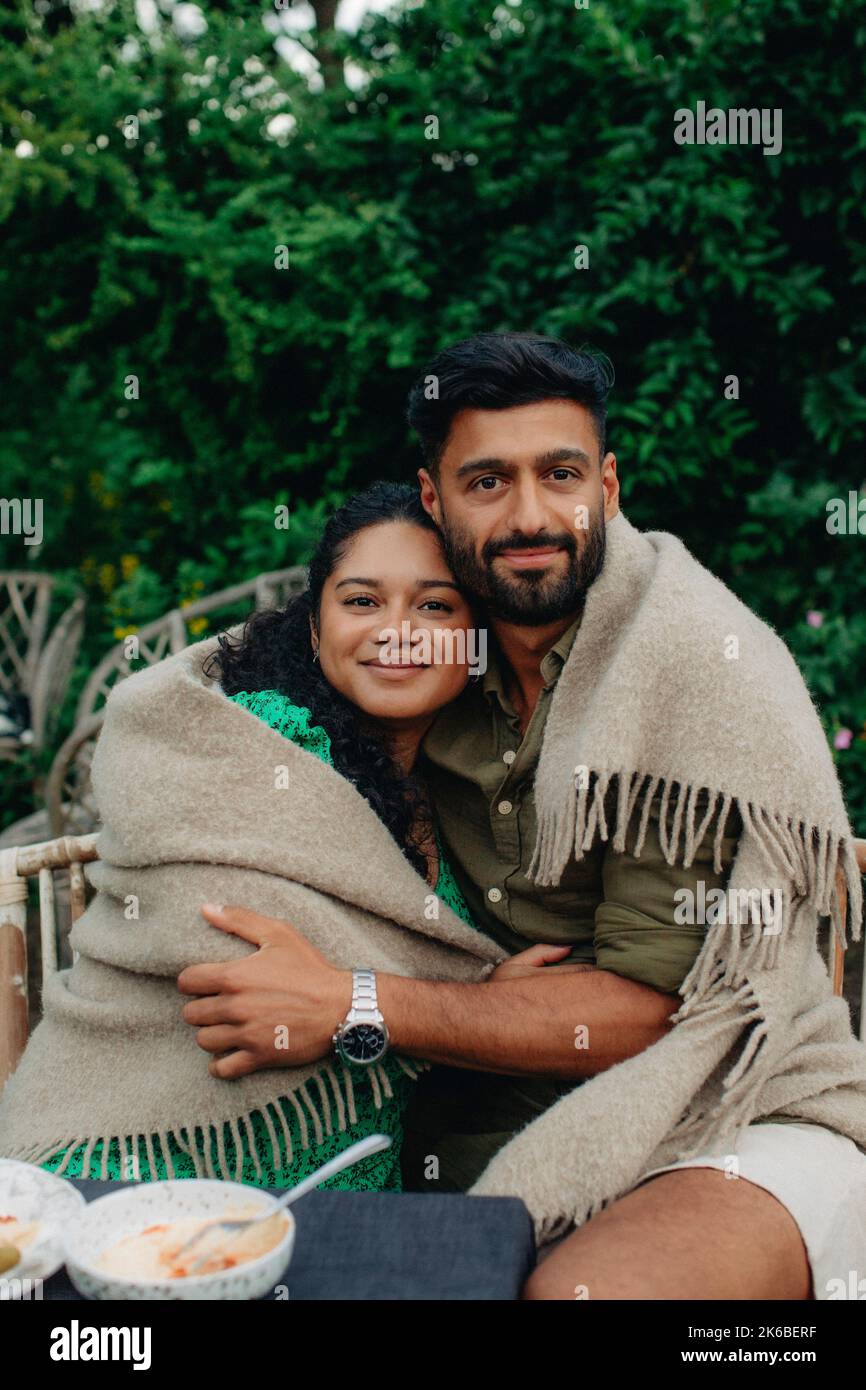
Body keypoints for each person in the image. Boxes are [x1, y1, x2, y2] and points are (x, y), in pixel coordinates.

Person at [181, 333, 866, 1301]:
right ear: (434, 499)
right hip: (491, 1114)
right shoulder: (430, 655)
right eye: (487, 482)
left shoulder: (689, 672)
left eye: (560, 474)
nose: (530, 515)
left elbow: (649, 1012)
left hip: (736, 1109)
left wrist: (359, 1002)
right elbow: (215, 697)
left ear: (609, 486)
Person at [0, 482, 505, 1192]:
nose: (398, 628)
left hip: (337, 1185)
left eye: (435, 605)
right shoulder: (266, 738)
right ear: (314, 627)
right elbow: (227, 948)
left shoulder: (462, 791)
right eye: (362, 601)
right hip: (126, 1164)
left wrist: (382, 1002)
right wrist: (487, 995)